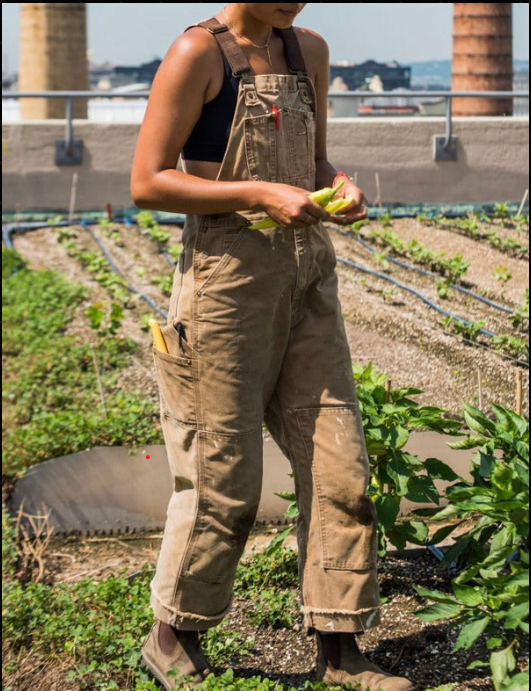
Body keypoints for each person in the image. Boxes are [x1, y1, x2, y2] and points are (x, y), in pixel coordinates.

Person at [131, 4, 413, 691]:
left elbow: (313, 157)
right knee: (222, 475)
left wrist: (339, 185)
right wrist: (258, 192)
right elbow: (147, 181)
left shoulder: (306, 50)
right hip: (225, 285)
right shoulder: (196, 54)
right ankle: (173, 635)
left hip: (307, 277)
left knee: (340, 464)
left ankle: (339, 648)